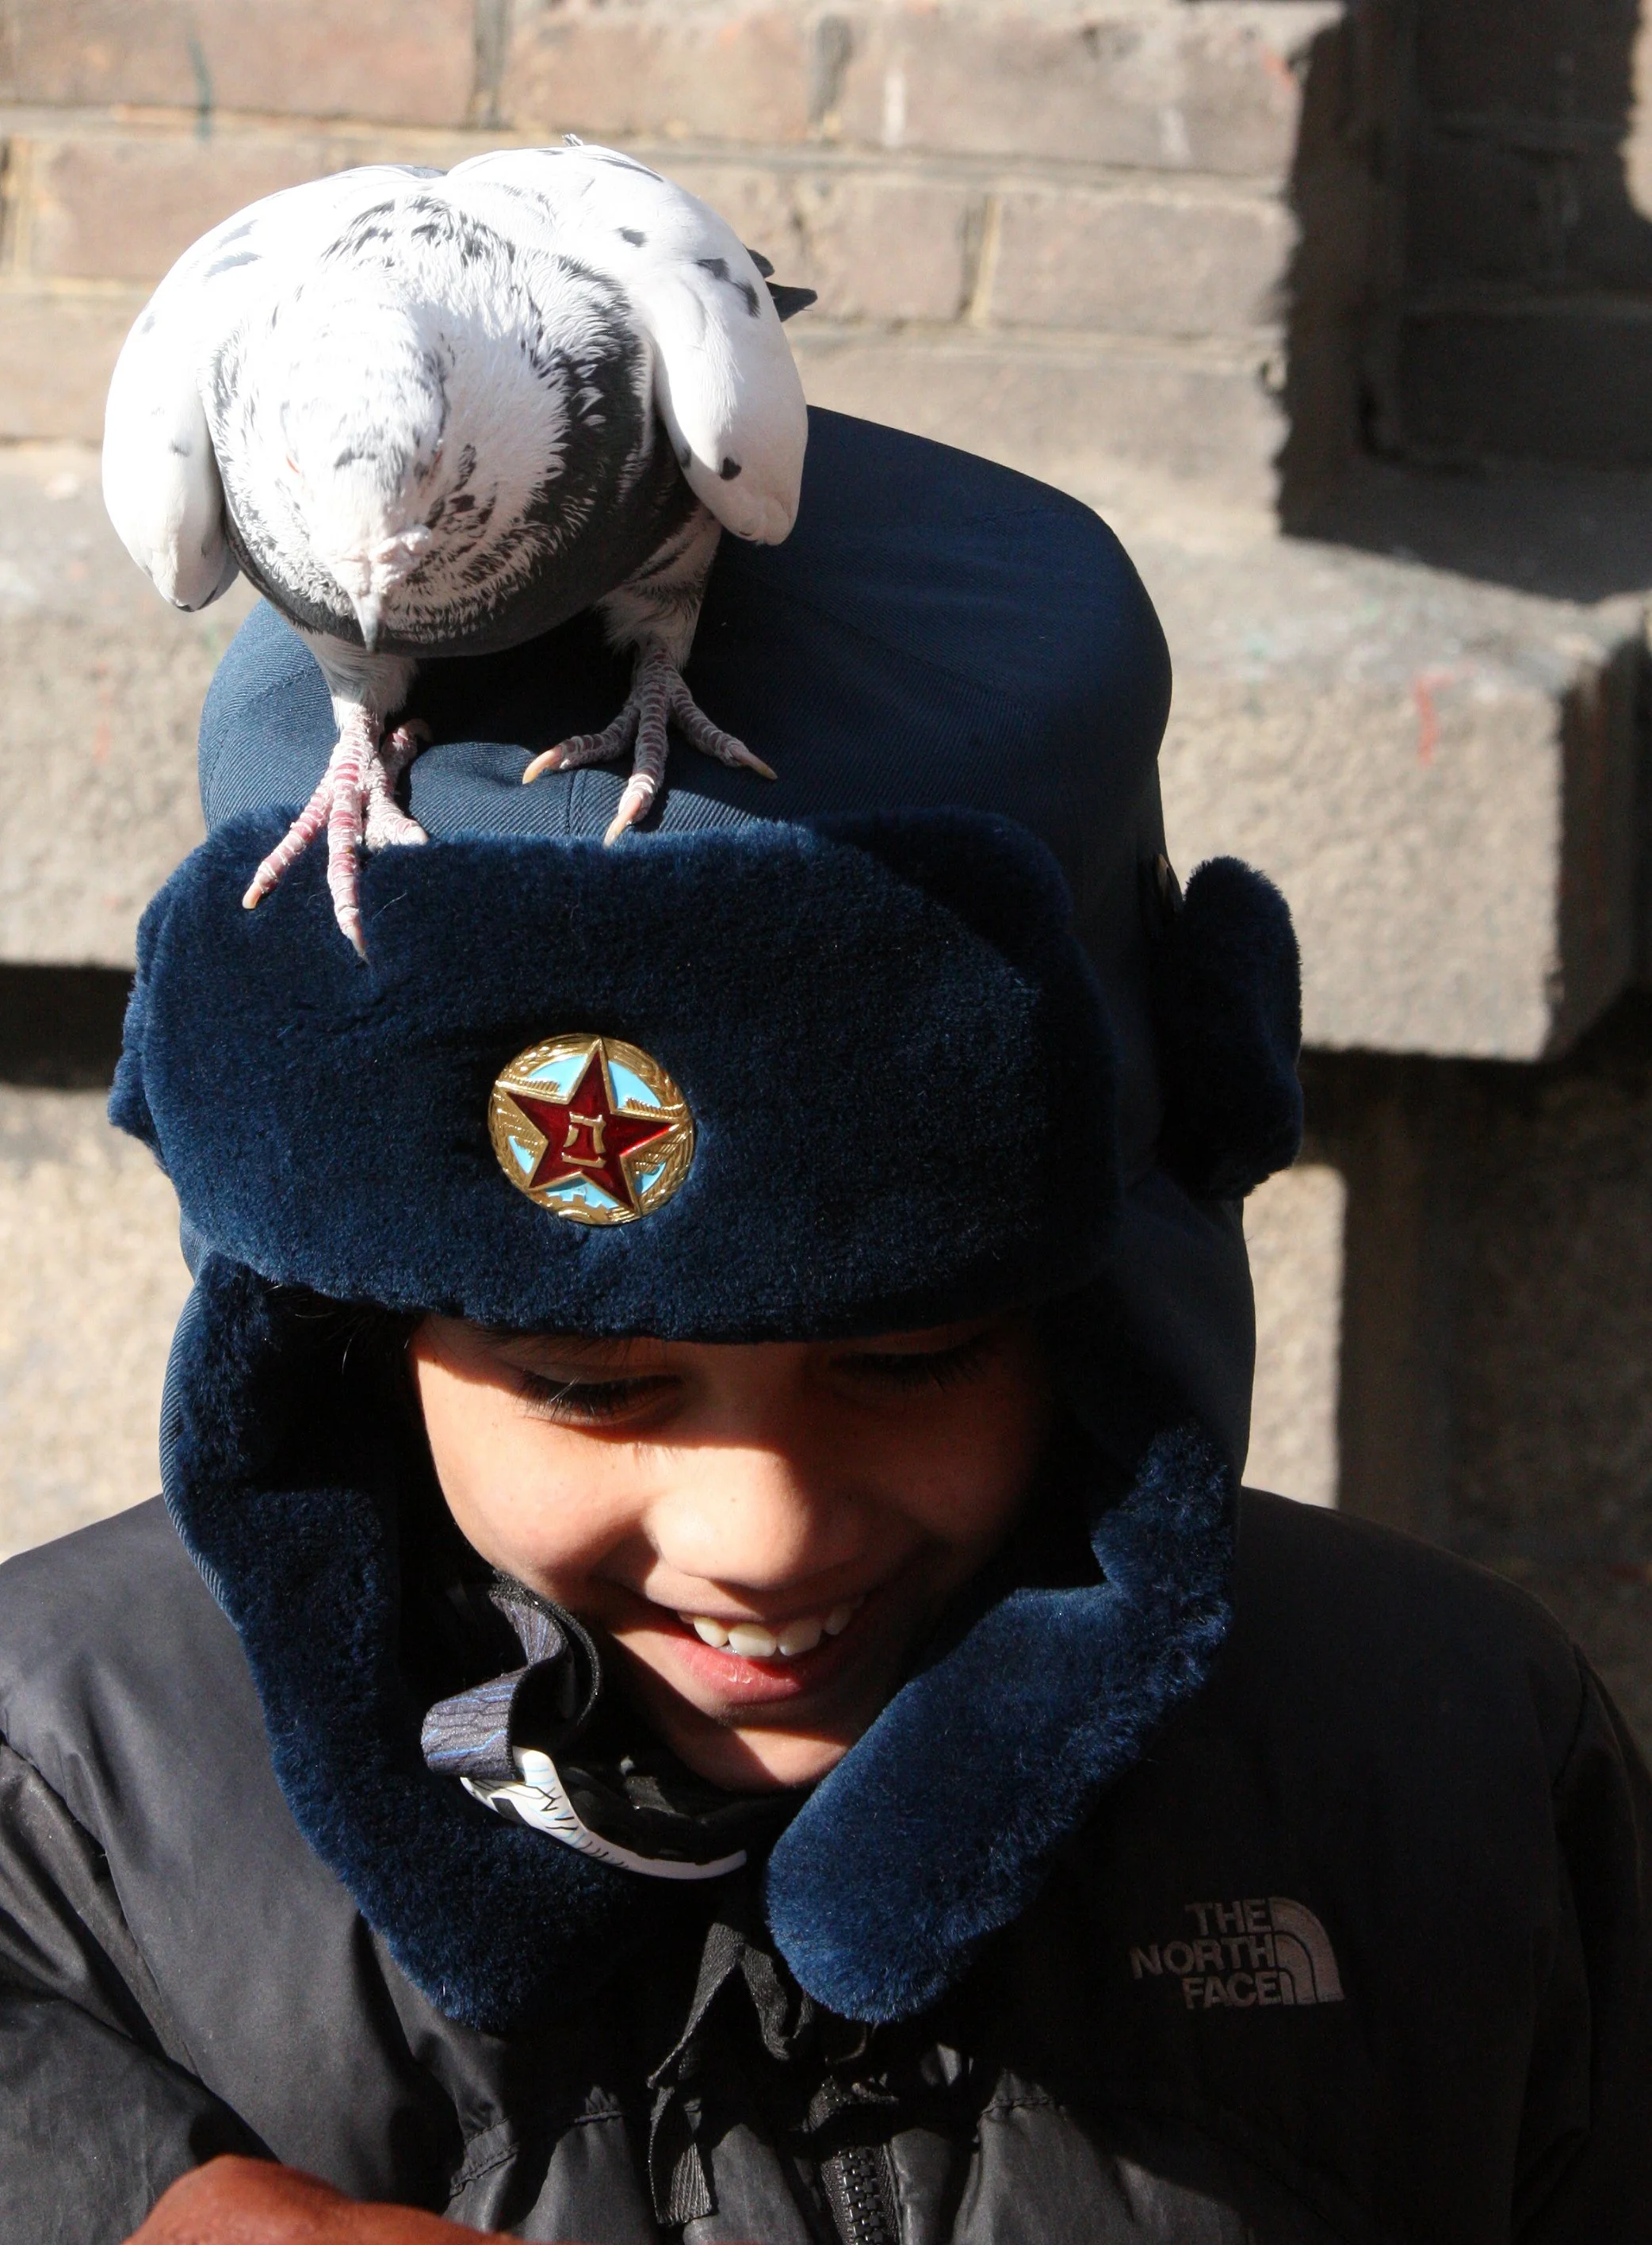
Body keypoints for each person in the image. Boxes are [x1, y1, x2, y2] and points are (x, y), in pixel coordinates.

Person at [1, 411, 1646, 2245]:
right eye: (589, 1388)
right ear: (348, 1335)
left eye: (913, 1357)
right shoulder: (58, 1812)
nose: (761, 1531)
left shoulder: (1444, 1776)